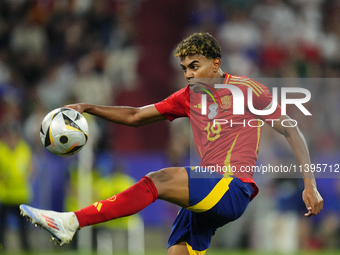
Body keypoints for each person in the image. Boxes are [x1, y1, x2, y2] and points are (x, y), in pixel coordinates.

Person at [19, 33, 323, 254]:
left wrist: (309, 183)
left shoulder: (248, 89)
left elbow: (291, 131)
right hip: (207, 191)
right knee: (178, 252)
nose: (189, 75)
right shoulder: (188, 97)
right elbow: (137, 115)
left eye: (195, 66)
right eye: (185, 69)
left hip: (232, 188)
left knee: (159, 179)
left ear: (216, 64)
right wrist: (88, 107)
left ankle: (71, 222)